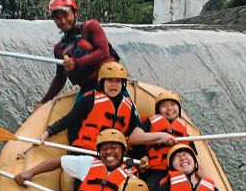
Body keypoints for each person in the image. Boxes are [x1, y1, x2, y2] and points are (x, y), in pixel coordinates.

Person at [39, 61, 177, 152]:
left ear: (123, 84)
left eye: (118, 81)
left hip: (113, 157)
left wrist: (160, 137)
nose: (113, 85)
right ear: (102, 82)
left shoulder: (128, 106)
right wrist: (48, 132)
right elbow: (69, 119)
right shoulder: (90, 100)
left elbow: (135, 136)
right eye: (110, 81)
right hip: (87, 151)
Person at [38, 0, 118, 107]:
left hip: (112, 84)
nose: (63, 21)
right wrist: (43, 102)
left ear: (75, 13)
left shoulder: (91, 27)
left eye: (66, 15)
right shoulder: (59, 48)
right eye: (58, 18)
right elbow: (60, 79)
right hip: (88, 89)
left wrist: (76, 63)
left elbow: (103, 52)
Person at [135, 90, 193, 191]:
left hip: (179, 173)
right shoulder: (149, 123)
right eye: (164, 106)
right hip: (155, 172)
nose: (170, 108)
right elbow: (133, 138)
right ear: (158, 110)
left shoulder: (185, 132)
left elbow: (196, 161)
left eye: (173, 105)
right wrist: (161, 135)